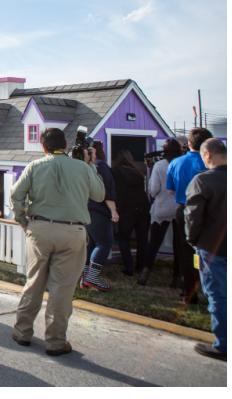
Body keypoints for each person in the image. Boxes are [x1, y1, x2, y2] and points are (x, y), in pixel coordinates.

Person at [10, 128, 105, 356]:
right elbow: (99, 195)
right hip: (73, 232)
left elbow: (15, 195)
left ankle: (22, 332)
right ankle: (55, 341)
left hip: (40, 228)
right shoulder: (83, 167)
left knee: (34, 283)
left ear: (43, 147)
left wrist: (24, 221)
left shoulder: (35, 166)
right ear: (64, 144)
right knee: (62, 290)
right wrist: (89, 164)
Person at [186, 138, 227, 361]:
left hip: (213, 247)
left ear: (208, 155)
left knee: (218, 295)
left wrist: (192, 240)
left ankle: (224, 344)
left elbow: (193, 216)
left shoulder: (203, 181)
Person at [168, 127, 213, 304]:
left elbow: (170, 190)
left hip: (184, 209)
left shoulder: (175, 163)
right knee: (211, 250)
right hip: (208, 210)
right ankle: (210, 290)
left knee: (186, 251)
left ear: (188, 144)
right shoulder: (209, 163)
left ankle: (188, 292)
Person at [138, 139, 183, 286]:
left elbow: (154, 189)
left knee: (154, 242)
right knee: (179, 244)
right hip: (179, 207)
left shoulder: (159, 165)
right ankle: (177, 276)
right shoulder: (182, 163)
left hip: (162, 207)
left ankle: (145, 273)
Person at [82, 141, 118, 291]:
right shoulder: (101, 167)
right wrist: (113, 210)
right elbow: (106, 190)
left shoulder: (82, 168)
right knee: (105, 243)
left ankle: (85, 278)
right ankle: (92, 278)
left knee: (91, 244)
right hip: (98, 209)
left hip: (86, 210)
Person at [111, 150, 149, 277]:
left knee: (123, 238)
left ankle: (129, 268)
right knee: (142, 239)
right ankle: (141, 266)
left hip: (126, 208)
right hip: (143, 207)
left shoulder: (116, 171)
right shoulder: (137, 172)